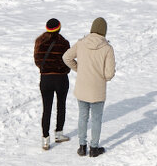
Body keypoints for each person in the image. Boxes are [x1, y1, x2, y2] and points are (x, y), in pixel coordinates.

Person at [63, 17, 116, 157]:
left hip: (82, 88)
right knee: (96, 119)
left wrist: (79, 69)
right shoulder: (107, 48)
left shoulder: (81, 43)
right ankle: (93, 148)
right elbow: (109, 74)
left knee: (82, 117)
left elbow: (66, 57)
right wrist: (102, 77)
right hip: (97, 90)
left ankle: (82, 147)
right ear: (104, 31)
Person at [34, 18, 71, 151]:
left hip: (45, 79)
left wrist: (45, 70)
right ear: (59, 28)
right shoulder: (64, 43)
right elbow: (68, 60)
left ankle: (45, 140)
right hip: (61, 79)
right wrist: (63, 70)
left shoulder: (39, 42)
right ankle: (59, 133)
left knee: (46, 109)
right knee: (61, 106)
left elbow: (37, 60)